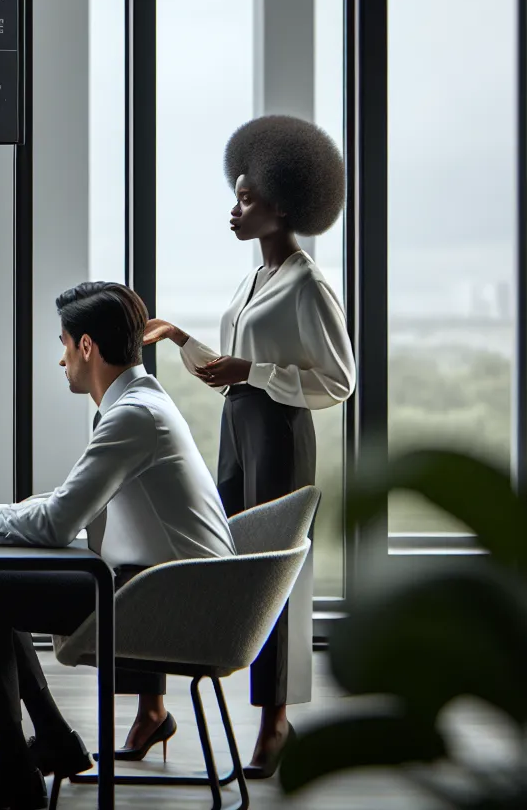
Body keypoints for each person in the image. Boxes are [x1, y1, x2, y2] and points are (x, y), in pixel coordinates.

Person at [0, 282, 235, 810]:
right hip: (168, 586)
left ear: (87, 346)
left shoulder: (134, 416)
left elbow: (58, 523)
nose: (61, 359)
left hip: (175, 601)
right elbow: (62, 503)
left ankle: (19, 773)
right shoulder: (139, 404)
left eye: (63, 343)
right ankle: (51, 742)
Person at [142, 114, 353, 776]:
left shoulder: (307, 283)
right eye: (235, 196)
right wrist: (178, 337)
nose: (234, 211)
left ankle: (276, 722)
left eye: (246, 199)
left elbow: (339, 379)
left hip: (281, 435)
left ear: (283, 205)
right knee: (197, 551)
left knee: (277, 575)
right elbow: (226, 369)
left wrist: (254, 373)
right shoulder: (252, 283)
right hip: (239, 426)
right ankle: (154, 707)